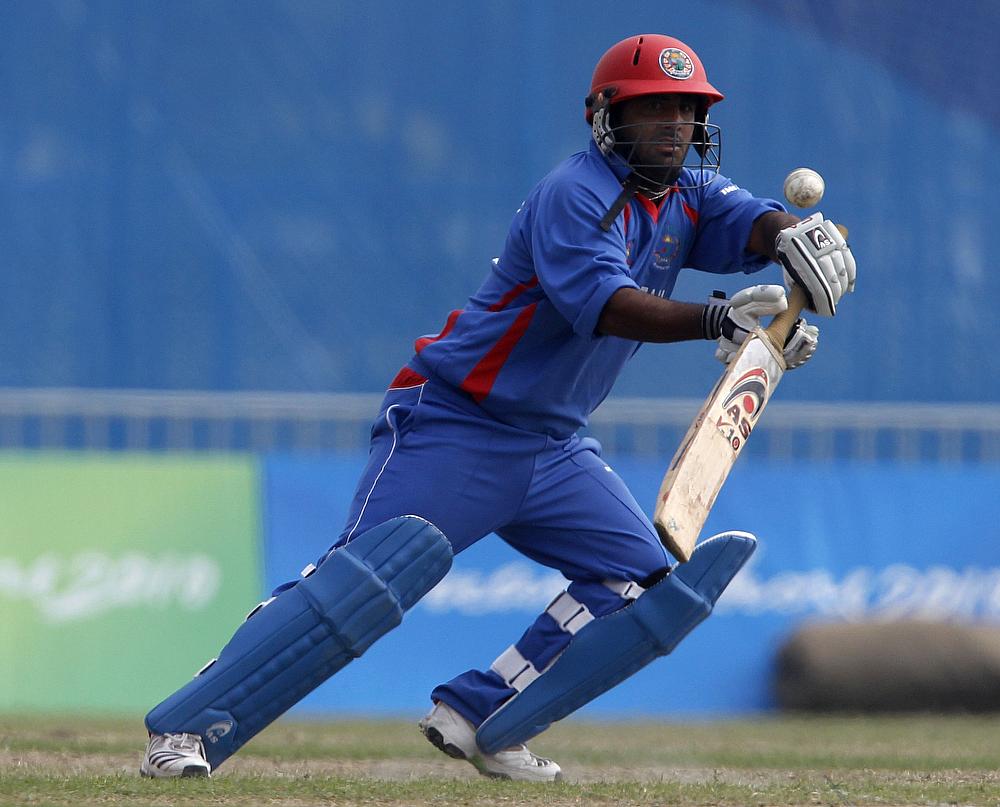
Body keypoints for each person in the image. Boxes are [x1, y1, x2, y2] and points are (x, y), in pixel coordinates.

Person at [139, 33, 855, 783]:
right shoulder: (574, 194)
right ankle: (186, 727)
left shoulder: (690, 194)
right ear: (607, 117)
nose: (674, 124)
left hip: (554, 445)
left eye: (686, 109)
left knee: (642, 587)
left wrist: (792, 244)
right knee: (361, 587)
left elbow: (751, 220)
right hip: (454, 422)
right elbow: (606, 305)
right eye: (653, 110)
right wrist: (719, 321)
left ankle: (483, 714)